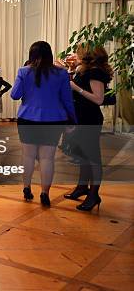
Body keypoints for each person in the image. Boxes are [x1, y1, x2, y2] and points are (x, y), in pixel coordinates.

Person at [11, 41, 76, 207]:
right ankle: (45, 193)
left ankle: (26, 188)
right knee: (48, 158)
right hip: (54, 119)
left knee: (28, 156)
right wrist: (72, 119)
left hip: (28, 118)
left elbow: (15, 95)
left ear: (31, 55)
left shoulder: (23, 71)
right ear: (50, 55)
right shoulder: (61, 74)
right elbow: (67, 100)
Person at [63, 45, 113, 212]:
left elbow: (98, 99)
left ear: (87, 56)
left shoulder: (95, 72)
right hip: (81, 118)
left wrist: (76, 88)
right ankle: (82, 187)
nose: (75, 55)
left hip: (90, 119)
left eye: (78, 53)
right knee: (83, 155)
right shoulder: (86, 70)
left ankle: (94, 195)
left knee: (93, 158)